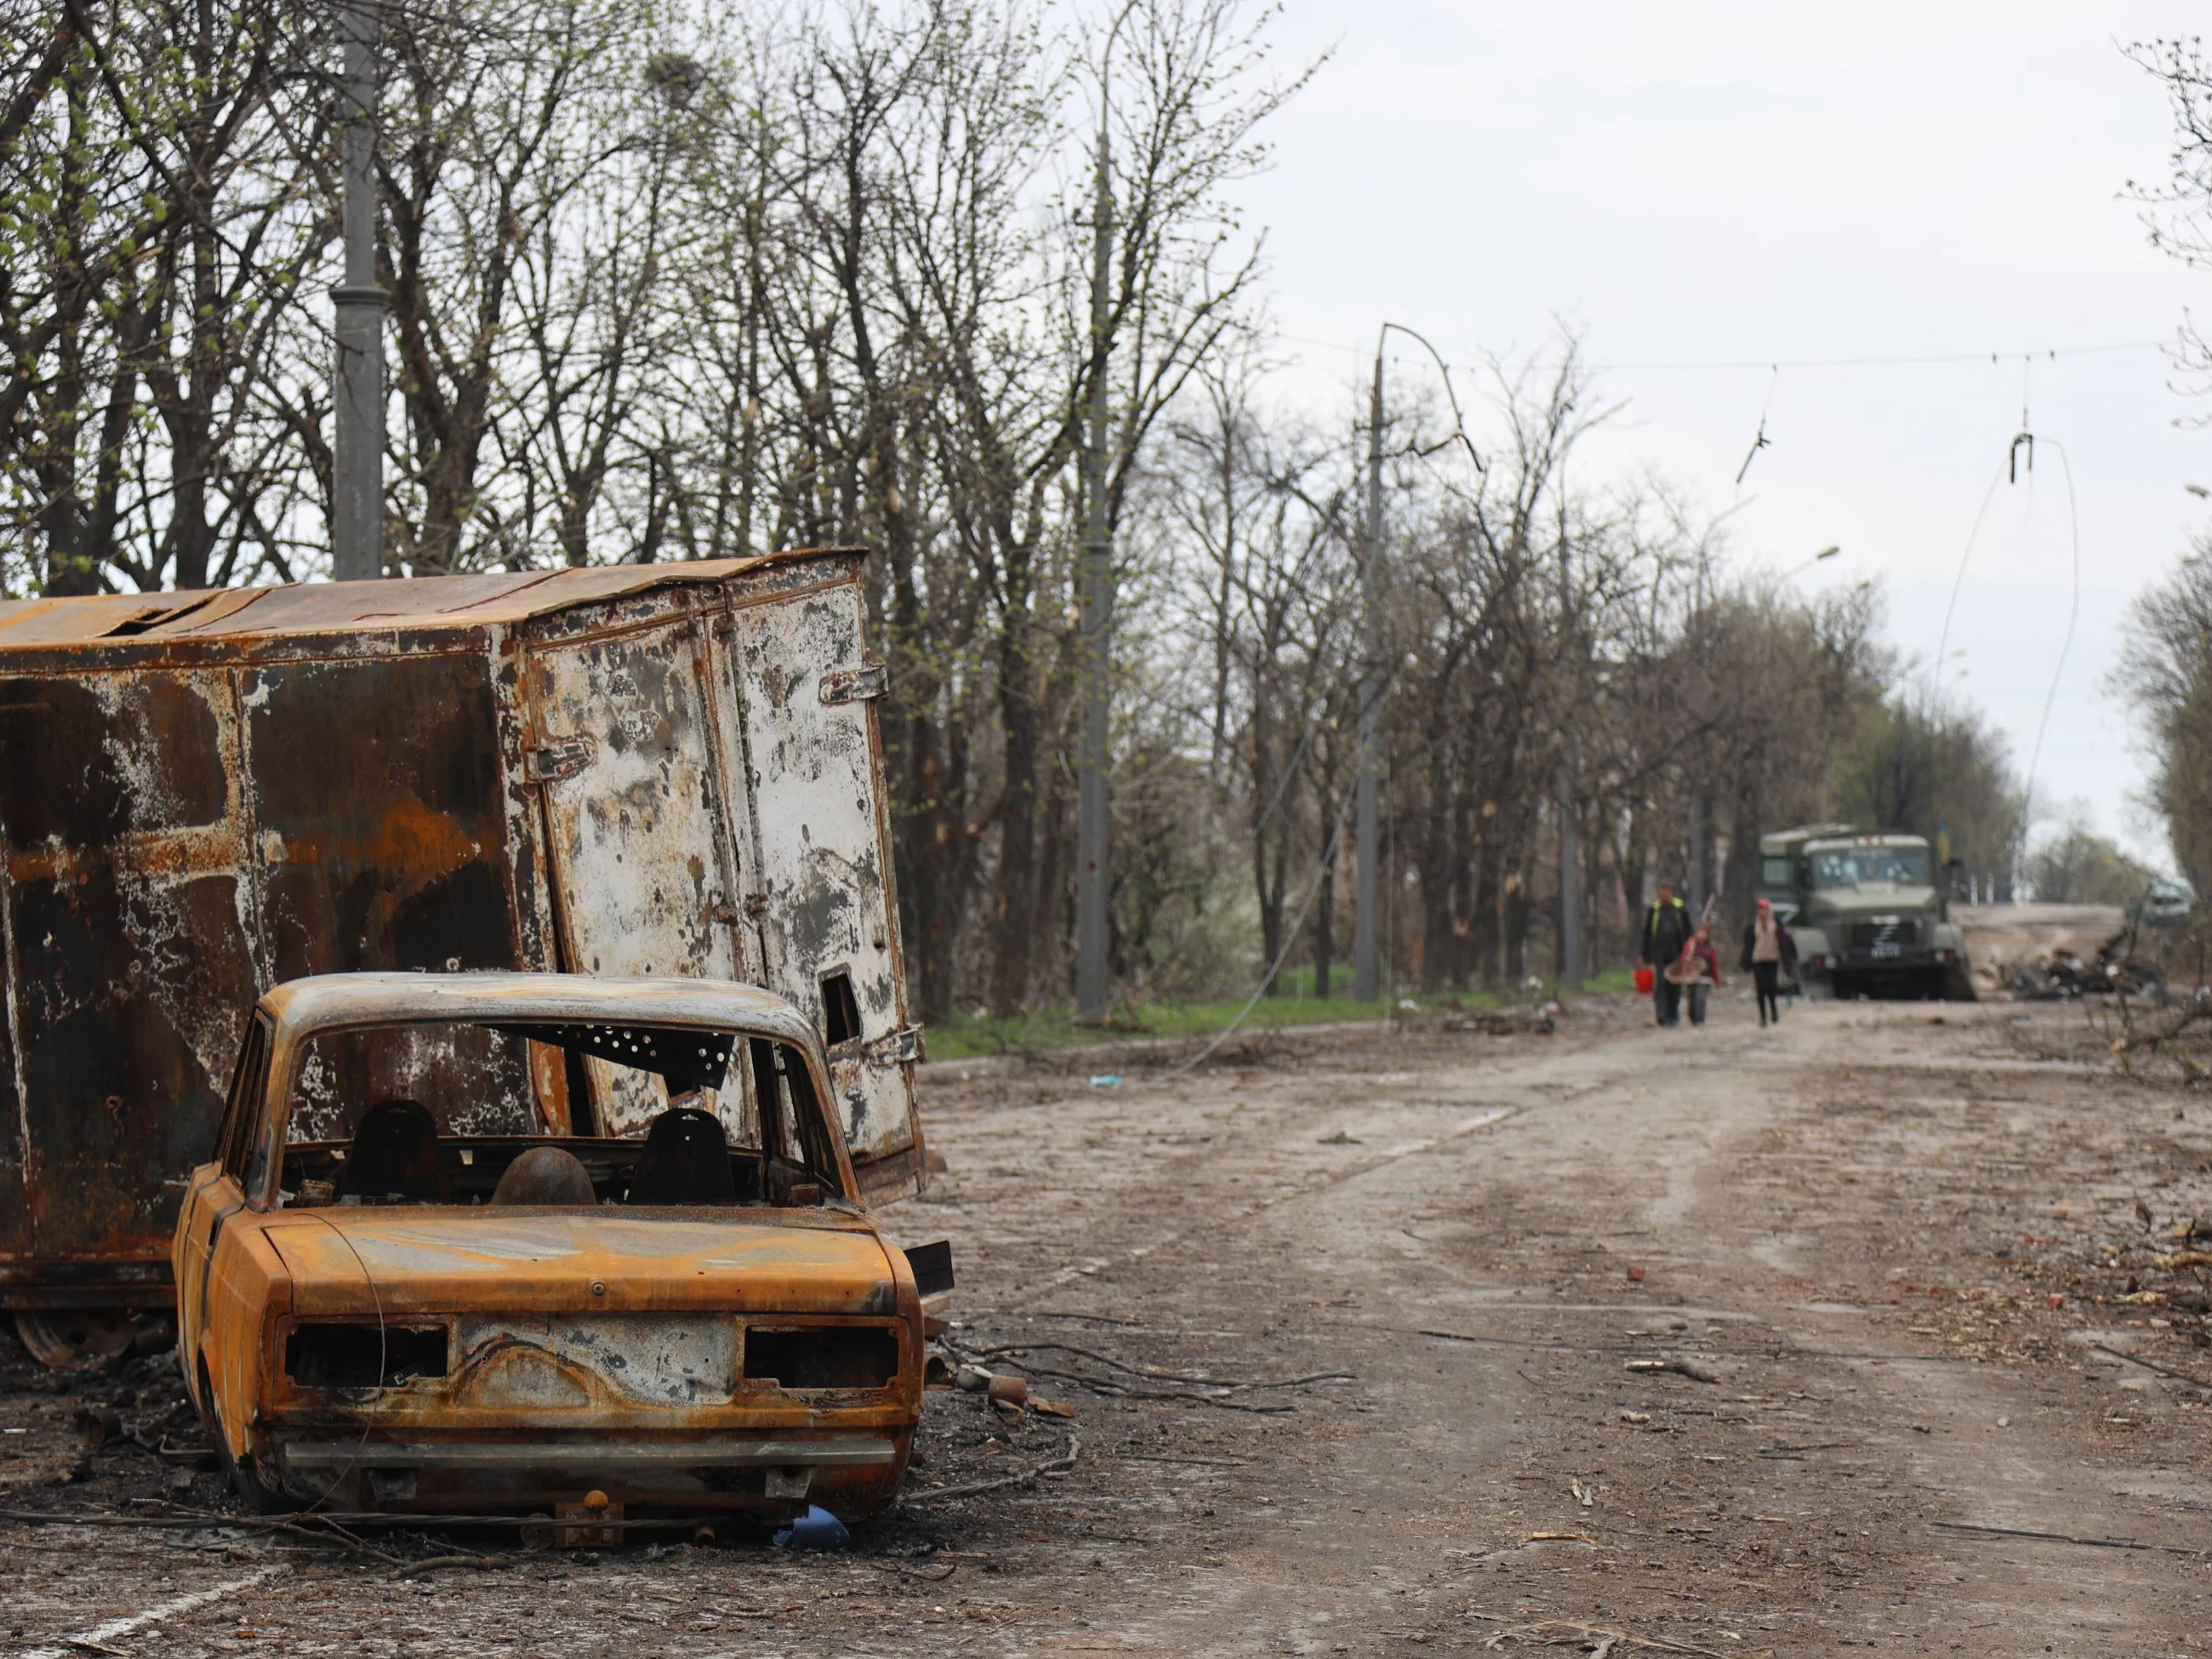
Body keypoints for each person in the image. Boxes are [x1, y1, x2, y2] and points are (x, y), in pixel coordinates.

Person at [1639, 883, 1695, 1027]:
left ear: (1671, 892)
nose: (1664, 894)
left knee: (1675, 984)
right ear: (1658, 893)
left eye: (1667, 891)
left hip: (1677, 953)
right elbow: (1647, 933)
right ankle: (1661, 1015)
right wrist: (1643, 953)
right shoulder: (1654, 910)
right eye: (1661, 891)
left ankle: (1673, 1015)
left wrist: (1690, 951)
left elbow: (1689, 932)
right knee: (1660, 984)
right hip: (1659, 953)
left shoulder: (1680, 909)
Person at [1740, 897, 1798, 1029]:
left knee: (1771, 987)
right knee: (1760, 989)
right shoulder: (1753, 926)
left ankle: (1774, 1012)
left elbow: (1784, 942)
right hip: (1758, 960)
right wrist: (1746, 962)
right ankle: (1763, 1017)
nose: (1762, 912)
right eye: (1760, 909)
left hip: (1772, 959)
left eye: (1764, 909)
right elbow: (1748, 946)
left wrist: (1786, 959)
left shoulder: (1776, 924)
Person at [1672, 922, 1722, 1026]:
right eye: (1700, 932)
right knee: (1692, 1001)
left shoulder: (1709, 949)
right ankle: (1693, 1019)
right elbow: (1684, 959)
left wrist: (1716, 979)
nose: (1702, 935)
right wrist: (1690, 952)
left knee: (1700, 999)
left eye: (1705, 933)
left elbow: (1714, 964)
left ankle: (1700, 1021)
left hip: (1705, 978)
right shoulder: (1691, 945)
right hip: (1692, 978)